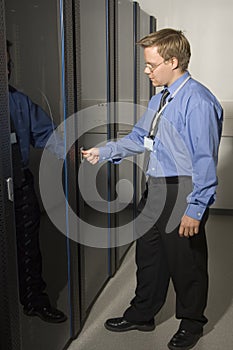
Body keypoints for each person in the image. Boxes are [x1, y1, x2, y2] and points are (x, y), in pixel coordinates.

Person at [82, 28, 223, 349]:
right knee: (149, 255)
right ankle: (142, 313)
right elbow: (138, 139)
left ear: (173, 61)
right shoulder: (161, 97)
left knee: (186, 261)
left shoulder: (198, 102)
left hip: (183, 191)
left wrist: (195, 208)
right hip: (155, 187)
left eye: (151, 65)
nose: (146, 71)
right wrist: (103, 152)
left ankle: (191, 322)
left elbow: (204, 161)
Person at [7, 40, 67, 323]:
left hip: (18, 186)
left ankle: (35, 301)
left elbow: (47, 135)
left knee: (29, 247)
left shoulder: (18, 101)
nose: (5, 70)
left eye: (7, 64)